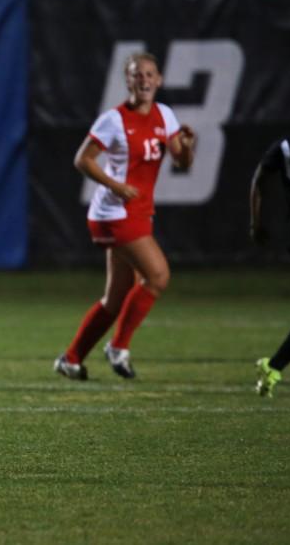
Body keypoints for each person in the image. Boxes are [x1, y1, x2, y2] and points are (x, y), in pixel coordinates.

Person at [54, 52, 196, 380]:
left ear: (159, 79)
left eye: (149, 74)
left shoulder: (165, 115)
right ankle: (119, 346)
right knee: (158, 276)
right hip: (113, 212)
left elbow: (182, 162)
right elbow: (82, 159)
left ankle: (72, 358)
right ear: (128, 80)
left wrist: (187, 147)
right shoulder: (114, 119)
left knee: (115, 298)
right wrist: (115, 185)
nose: (144, 80)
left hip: (137, 211)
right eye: (137, 75)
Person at [250, 95, 290, 397]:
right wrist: (255, 222)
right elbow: (259, 177)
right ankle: (274, 365)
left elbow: (258, 178)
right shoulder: (288, 147)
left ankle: (274, 366)